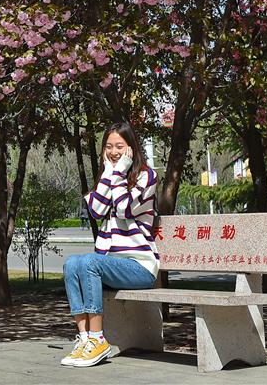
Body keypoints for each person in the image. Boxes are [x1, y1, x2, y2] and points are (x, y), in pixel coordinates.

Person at [61, 122, 159, 368]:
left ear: (131, 148)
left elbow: (125, 210)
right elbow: (95, 211)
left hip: (139, 268)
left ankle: (98, 338)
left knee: (90, 262)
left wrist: (118, 172)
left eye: (119, 146)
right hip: (110, 265)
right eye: (109, 147)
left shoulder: (147, 176)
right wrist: (108, 173)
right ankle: (85, 339)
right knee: (72, 263)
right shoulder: (110, 174)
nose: (114, 152)